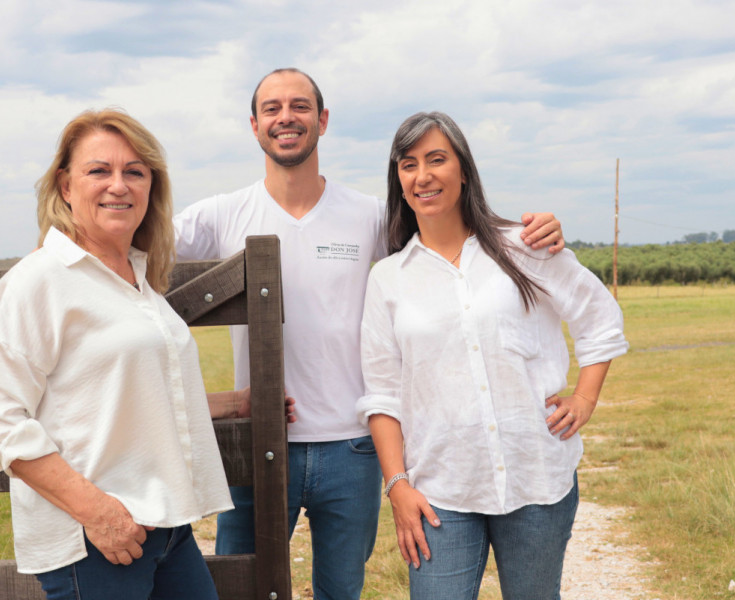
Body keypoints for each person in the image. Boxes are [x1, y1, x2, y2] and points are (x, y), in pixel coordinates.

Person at [173, 68, 566, 600]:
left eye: (300, 106)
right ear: (254, 124)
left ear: (323, 119)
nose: (286, 117)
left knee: (342, 590)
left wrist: (529, 232)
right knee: (241, 588)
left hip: (352, 451)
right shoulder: (221, 215)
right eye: (272, 108)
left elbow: (451, 249)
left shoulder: (372, 217)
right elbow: (139, 247)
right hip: (264, 439)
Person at [357, 112, 629, 600]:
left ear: (464, 170)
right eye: (409, 164)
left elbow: (599, 316)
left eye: (437, 159)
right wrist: (397, 485)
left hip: (535, 478)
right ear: (398, 180)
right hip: (440, 490)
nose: (423, 175)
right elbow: (382, 394)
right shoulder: (389, 278)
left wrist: (585, 399)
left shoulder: (523, 246)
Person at [0, 109, 234, 600]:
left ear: (152, 187)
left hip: (168, 528)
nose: (119, 184)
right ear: (65, 186)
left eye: (135, 171)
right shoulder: (40, 281)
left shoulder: (138, 282)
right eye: (99, 170)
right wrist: (99, 514)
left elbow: (132, 393)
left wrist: (232, 403)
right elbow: (1, 421)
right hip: (97, 540)